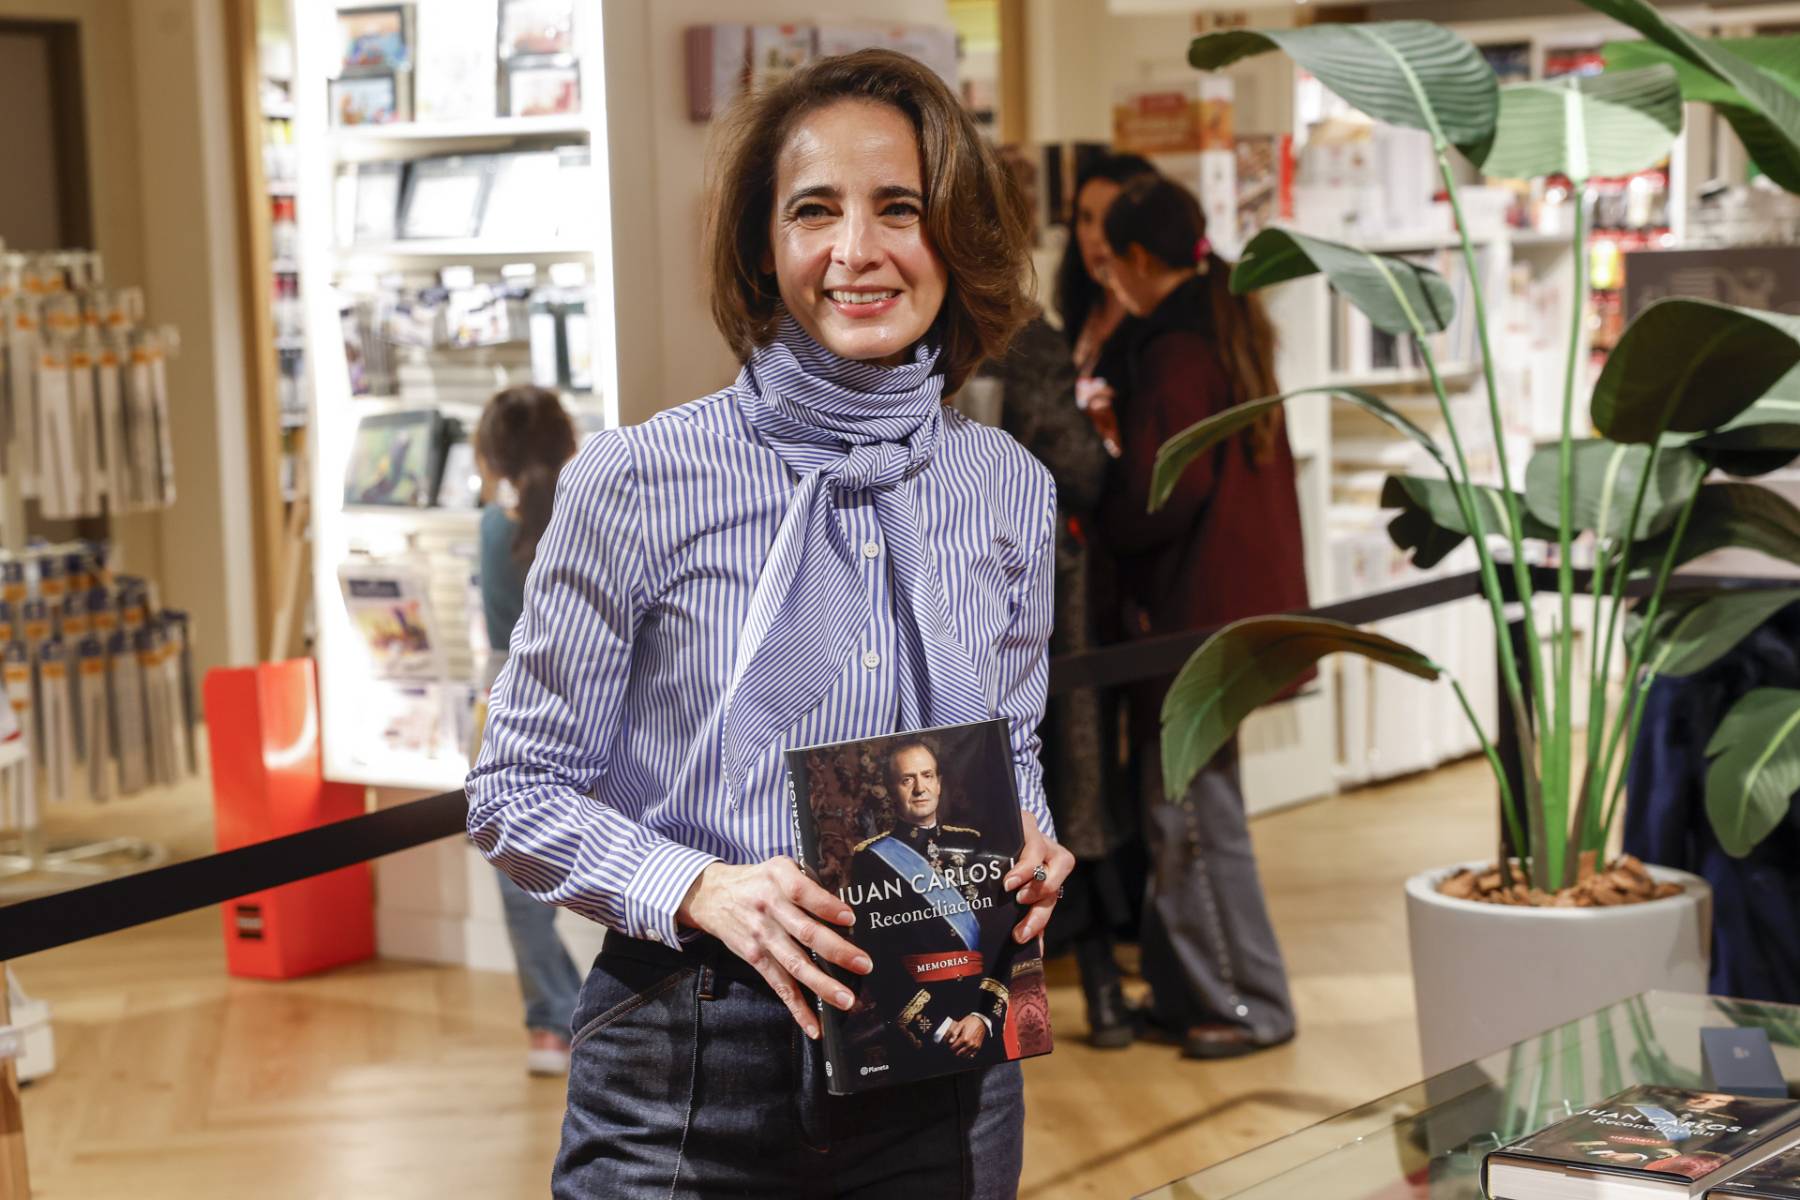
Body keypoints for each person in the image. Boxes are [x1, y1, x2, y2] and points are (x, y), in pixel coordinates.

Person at [466, 49, 1074, 1198]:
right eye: (814, 211)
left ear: (955, 233)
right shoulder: (639, 481)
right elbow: (513, 790)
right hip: (690, 1045)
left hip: (944, 1028)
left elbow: (1014, 744)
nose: (857, 252)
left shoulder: (1007, 486)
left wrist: (1030, 840)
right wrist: (700, 887)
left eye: (899, 207)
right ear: (762, 245)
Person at [1097, 175, 1309, 1060]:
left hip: (1192, 621)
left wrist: (1105, 468)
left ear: (1140, 259)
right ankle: (1192, 992)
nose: (1106, 275)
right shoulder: (1222, 327)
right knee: (1181, 802)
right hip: (1227, 615)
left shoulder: (1175, 351)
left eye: (1112, 258)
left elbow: (1161, 496)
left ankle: (1255, 1002)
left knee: (1191, 810)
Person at [472, 385, 582, 1076]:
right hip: (595, 701)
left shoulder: (493, 529)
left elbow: (496, 633)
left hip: (511, 704)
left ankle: (551, 1023)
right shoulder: (591, 510)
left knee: (517, 875)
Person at [846, 740, 1016, 1067]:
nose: (920, 788)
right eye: (907, 779)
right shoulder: (871, 860)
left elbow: (1001, 937)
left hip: (982, 1018)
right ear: (891, 789)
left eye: (927, 776)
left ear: (939, 783)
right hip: (925, 1037)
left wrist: (983, 1017)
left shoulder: (972, 843)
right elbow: (877, 958)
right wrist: (940, 1027)